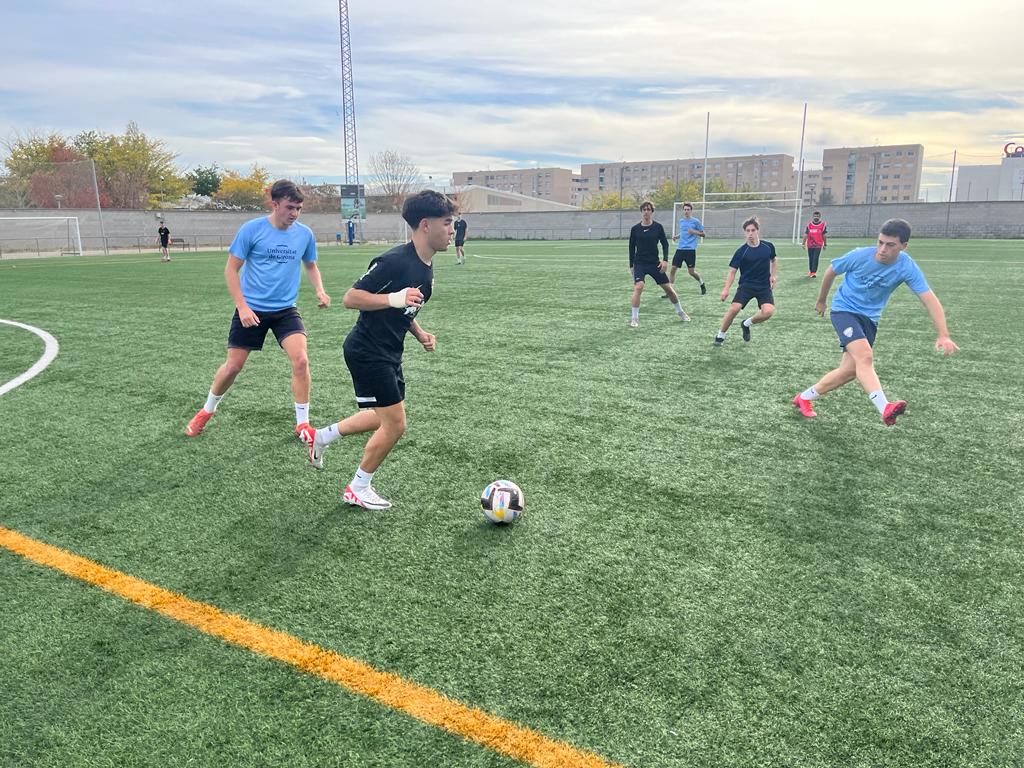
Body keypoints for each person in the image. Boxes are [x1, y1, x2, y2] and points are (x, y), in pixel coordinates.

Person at [306, 190, 454, 510]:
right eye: (447, 222)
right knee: (396, 424)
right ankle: (358, 487)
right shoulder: (394, 261)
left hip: (388, 351)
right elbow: (351, 298)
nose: (452, 230)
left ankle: (322, 437)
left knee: (379, 417)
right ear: (425, 225)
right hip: (368, 351)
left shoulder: (425, 266)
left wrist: (419, 333)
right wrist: (393, 298)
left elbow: (405, 308)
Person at [185, 179, 331, 441]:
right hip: (251, 309)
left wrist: (320, 289)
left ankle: (303, 424)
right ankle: (206, 411)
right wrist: (242, 307)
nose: (294, 214)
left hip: (285, 310)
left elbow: (310, 265)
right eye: (289, 207)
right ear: (274, 204)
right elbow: (231, 269)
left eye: (298, 208)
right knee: (233, 367)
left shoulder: (305, 234)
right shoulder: (251, 230)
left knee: (301, 360)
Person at [792, 218, 958, 426]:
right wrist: (821, 300)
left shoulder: (906, 266)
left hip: (870, 319)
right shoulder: (860, 255)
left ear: (904, 246)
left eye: (890, 245)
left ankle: (804, 398)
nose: (882, 249)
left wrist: (943, 334)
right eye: (880, 242)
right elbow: (831, 270)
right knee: (865, 357)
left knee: (850, 371)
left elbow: (929, 299)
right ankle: (885, 408)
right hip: (844, 310)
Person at [713, 217, 777, 346]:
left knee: (768, 312)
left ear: (757, 231)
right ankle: (720, 335)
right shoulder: (741, 251)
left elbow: (774, 260)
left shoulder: (768, 246)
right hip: (746, 286)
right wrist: (726, 289)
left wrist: (772, 275)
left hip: (763, 286)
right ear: (745, 233)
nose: (750, 233)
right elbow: (732, 272)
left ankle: (746, 324)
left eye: (753, 230)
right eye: (747, 231)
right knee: (734, 309)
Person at [628, 201, 690, 327]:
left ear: (652, 212)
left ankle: (680, 312)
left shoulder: (658, 227)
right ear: (641, 212)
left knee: (669, 289)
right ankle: (634, 318)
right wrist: (631, 265)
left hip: (654, 264)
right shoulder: (635, 229)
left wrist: (665, 261)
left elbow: (665, 244)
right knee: (639, 287)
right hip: (640, 263)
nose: (646, 212)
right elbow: (631, 247)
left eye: (648, 209)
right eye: (644, 209)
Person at [667, 202, 706, 295]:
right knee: (673, 269)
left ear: (691, 211)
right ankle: (669, 291)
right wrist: (677, 236)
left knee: (691, 272)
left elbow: (703, 234)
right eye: (685, 209)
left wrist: (694, 232)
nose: (686, 211)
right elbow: (684, 232)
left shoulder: (696, 221)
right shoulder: (681, 221)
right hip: (680, 249)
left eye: (688, 209)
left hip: (690, 250)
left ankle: (702, 283)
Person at [801, 210, 827, 277]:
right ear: (813, 216)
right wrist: (803, 243)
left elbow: (824, 235)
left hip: (818, 245)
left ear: (820, 217)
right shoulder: (809, 225)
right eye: (815, 216)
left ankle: (813, 272)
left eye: (817, 216)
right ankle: (811, 271)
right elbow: (806, 234)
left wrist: (825, 244)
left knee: (815, 258)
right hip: (810, 245)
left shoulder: (823, 225)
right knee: (811, 258)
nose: (816, 217)